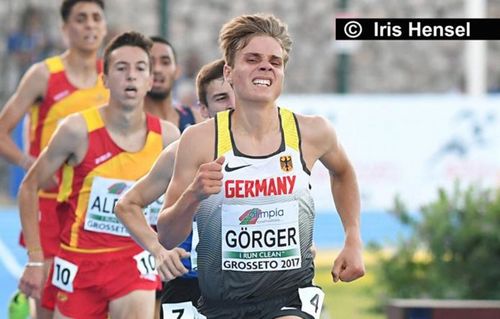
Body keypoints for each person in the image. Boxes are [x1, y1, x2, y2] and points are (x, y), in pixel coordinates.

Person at [157, 13, 365, 319]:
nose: (265, 66)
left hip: (289, 295)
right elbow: (167, 236)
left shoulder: (311, 132)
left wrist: (353, 238)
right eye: (252, 59)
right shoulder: (200, 140)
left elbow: (343, 172)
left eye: (275, 61)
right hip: (220, 305)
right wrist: (193, 195)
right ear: (228, 72)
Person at [17, 31, 188, 319]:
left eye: (140, 69)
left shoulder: (168, 137)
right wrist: (35, 259)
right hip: (79, 264)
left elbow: (182, 198)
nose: (131, 76)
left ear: (149, 81)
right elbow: (29, 186)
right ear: (105, 79)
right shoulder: (76, 130)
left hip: (134, 261)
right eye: (121, 68)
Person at [0, 0, 109, 316]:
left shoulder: (112, 76)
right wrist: (29, 164)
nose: (89, 25)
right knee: (48, 300)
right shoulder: (44, 75)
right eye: (81, 19)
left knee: (95, 299)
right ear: (65, 29)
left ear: (104, 27)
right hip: (49, 203)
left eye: (95, 18)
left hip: (95, 206)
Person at [115, 58, 234, 318]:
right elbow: (126, 205)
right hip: (190, 285)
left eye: (236, 93)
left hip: (252, 284)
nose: (232, 104)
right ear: (203, 109)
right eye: (222, 98)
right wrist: (158, 250)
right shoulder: (181, 153)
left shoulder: (269, 149)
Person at [144, 36, 203, 132]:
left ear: (177, 71)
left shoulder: (197, 121)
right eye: (150, 63)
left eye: (165, 62)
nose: (157, 69)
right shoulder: (126, 124)